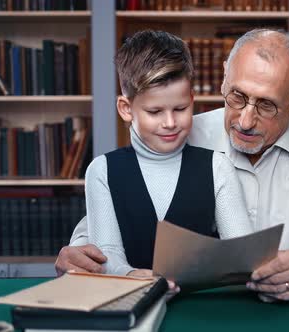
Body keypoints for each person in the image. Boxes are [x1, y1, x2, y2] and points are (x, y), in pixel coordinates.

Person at [56, 29, 289, 303]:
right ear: (223, 80)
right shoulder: (180, 132)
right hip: (195, 310)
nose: (245, 120)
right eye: (237, 97)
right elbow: (118, 205)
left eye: (267, 105)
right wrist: (80, 252)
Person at [83, 30, 253, 292]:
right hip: (130, 306)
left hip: (203, 311)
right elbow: (107, 252)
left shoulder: (217, 167)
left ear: (192, 101)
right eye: (155, 111)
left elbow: (241, 252)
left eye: (180, 109)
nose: (170, 123)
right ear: (126, 109)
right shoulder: (102, 171)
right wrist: (130, 275)